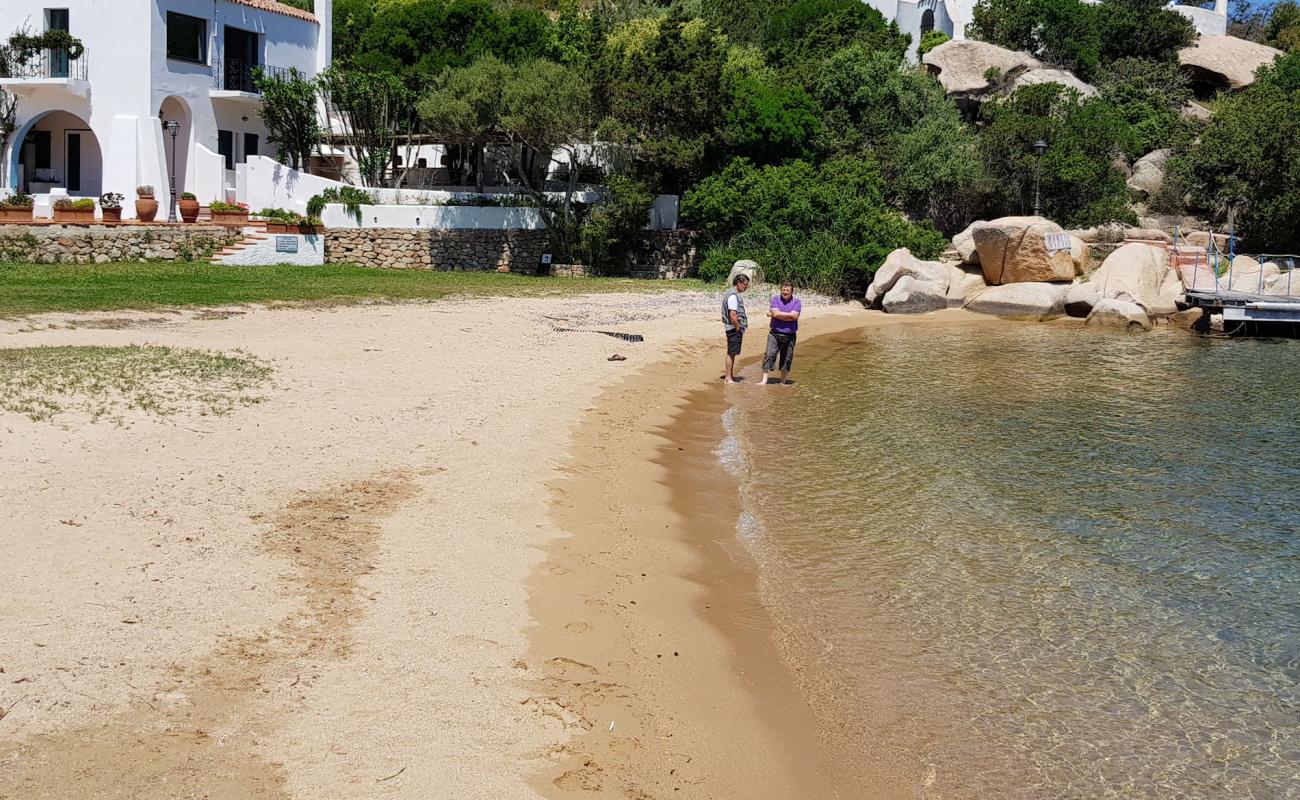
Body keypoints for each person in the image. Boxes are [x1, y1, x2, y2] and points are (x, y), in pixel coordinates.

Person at [762, 282, 801, 385]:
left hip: (790, 336)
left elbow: (794, 317)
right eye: (783, 290)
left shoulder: (797, 302)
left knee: (787, 358)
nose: (785, 292)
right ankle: (764, 381)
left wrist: (776, 315)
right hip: (774, 333)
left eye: (787, 290)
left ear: (792, 292)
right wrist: (779, 315)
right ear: (781, 290)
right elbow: (776, 313)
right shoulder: (775, 299)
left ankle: (782, 382)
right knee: (769, 355)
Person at [722, 273, 750, 383]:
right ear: (738, 283)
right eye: (745, 284)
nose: (746, 287)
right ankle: (728, 377)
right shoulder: (733, 296)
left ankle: (730, 376)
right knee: (731, 352)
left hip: (732, 327)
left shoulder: (732, 293)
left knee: (732, 352)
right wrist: (738, 327)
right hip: (733, 328)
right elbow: (732, 314)